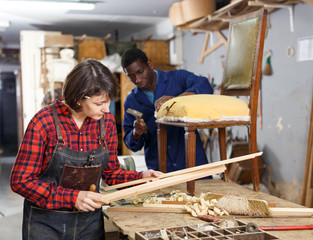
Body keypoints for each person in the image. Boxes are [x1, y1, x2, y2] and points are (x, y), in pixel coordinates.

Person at [10, 59, 161, 240]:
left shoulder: (107, 123)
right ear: (78, 97)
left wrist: (140, 178)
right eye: (99, 103)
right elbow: (20, 181)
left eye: (108, 101)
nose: (106, 109)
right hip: (46, 224)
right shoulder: (44, 122)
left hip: (89, 224)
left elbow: (111, 173)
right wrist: (72, 197)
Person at [121, 48, 214, 172]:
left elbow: (204, 86)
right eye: (131, 76)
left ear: (150, 64)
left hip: (192, 163)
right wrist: (136, 133)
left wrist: (176, 101)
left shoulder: (177, 78)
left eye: (140, 72)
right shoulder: (131, 101)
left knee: (205, 191)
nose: (137, 79)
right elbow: (132, 144)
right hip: (159, 169)